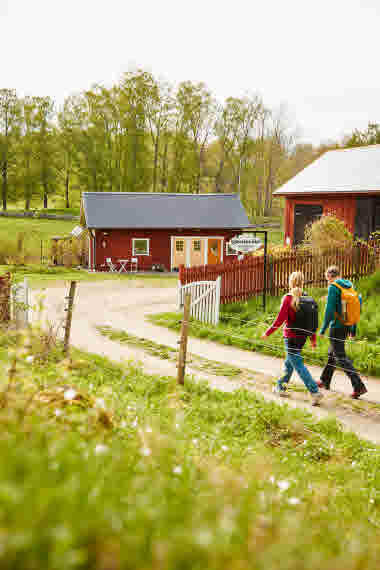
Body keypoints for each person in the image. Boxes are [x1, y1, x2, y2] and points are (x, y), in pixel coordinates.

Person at [262, 271, 323, 406]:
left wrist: (267, 332)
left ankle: (314, 391)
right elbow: (312, 322)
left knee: (298, 365)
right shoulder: (309, 298)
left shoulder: (288, 298)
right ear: (302, 282)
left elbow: (279, 320)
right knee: (290, 363)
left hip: (290, 337)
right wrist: (313, 340)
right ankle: (280, 387)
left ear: (290, 282)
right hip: (302, 338)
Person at [318, 265, 367, 399]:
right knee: (332, 353)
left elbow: (329, 311)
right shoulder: (350, 286)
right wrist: (353, 329)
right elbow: (356, 307)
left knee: (340, 356)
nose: (327, 282)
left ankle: (359, 386)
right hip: (346, 325)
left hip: (336, 326)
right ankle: (324, 380)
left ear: (329, 276)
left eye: (327, 279)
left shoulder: (334, 287)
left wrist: (322, 329)